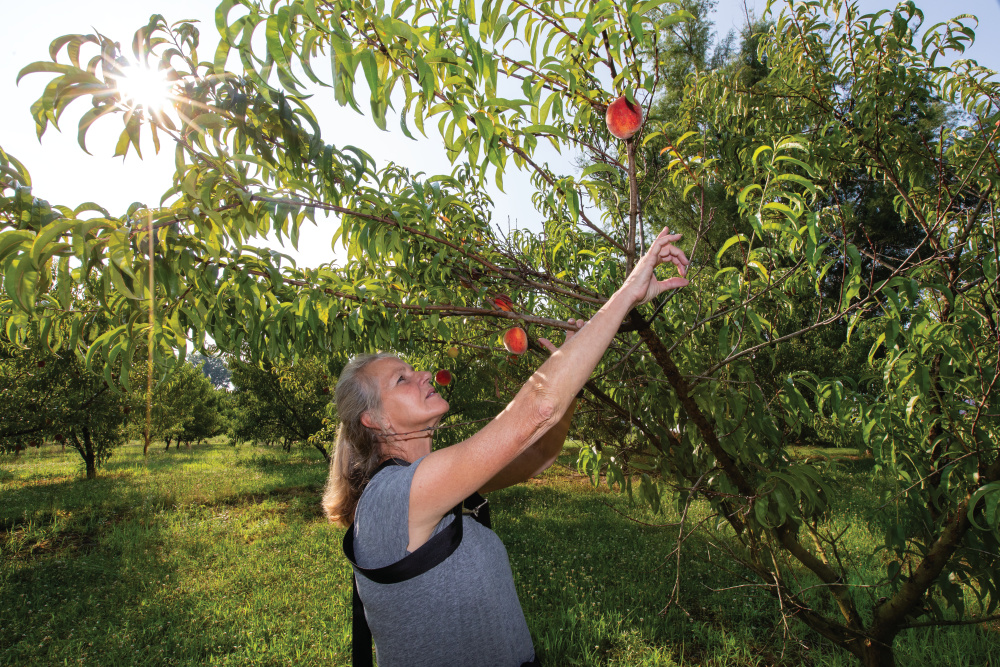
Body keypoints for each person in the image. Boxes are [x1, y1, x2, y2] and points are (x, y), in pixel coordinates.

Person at [322, 228, 689, 666]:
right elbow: (536, 410)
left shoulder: (434, 484)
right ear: (374, 420)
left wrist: (572, 376)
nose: (423, 375)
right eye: (402, 378)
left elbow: (537, 457)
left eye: (414, 369)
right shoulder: (390, 499)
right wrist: (628, 291)